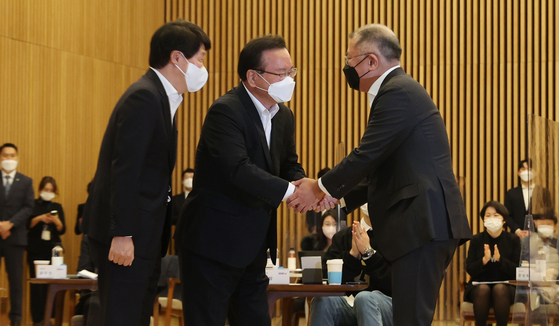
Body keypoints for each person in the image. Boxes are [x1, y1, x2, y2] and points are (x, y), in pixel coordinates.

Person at [287, 24, 472, 325]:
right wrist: (335, 196)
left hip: (422, 222)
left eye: (349, 61)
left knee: (409, 319)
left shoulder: (396, 91)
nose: (345, 68)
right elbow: (379, 167)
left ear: (371, 61)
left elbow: (367, 154)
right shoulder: (397, 90)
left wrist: (320, 188)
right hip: (419, 224)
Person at [81, 20, 211, 326]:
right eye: (201, 59)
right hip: (127, 236)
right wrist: (122, 233)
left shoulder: (164, 98)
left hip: (145, 235)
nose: (204, 68)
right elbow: (125, 170)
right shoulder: (145, 97)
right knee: (120, 316)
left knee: (137, 316)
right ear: (177, 58)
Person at [175, 35, 306, 326]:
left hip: (254, 244)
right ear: (253, 76)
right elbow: (238, 169)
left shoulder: (283, 115)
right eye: (281, 73)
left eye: (291, 72)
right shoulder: (226, 111)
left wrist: (308, 187)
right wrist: (290, 192)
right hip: (212, 244)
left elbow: (287, 165)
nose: (289, 79)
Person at [310, 208, 393, 326]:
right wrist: (352, 256)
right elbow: (326, 276)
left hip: (387, 305)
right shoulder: (342, 237)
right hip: (349, 304)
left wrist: (369, 254)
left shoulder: (396, 236)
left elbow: (398, 282)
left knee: (364, 299)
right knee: (322, 300)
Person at [465, 201, 520, 326]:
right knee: (483, 289)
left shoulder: (513, 240)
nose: (491, 219)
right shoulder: (476, 240)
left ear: (504, 219)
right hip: (479, 286)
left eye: (496, 215)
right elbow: (470, 269)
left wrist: (501, 260)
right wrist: (484, 261)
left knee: (499, 289)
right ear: (483, 219)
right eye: (488, 215)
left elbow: (517, 270)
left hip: (506, 288)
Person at [0, 143, 34, 326]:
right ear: (0, 158)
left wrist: (10, 224)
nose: (8, 159)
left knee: (16, 284)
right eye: (5, 156)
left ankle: (16, 321)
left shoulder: (26, 181)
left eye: (12, 156)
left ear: (17, 158)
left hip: (16, 239)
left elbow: (29, 207)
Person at [26, 176, 66, 326]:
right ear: (40, 189)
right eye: (45, 189)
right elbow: (27, 224)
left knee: (52, 285)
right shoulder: (33, 204)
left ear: (55, 192)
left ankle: (50, 318)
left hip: (53, 251)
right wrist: (40, 218)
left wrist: (56, 221)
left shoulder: (58, 207)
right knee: (36, 286)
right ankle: (37, 320)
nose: (48, 192)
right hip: (36, 250)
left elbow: (62, 230)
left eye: (51, 190)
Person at [505, 159, 552, 238]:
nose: (526, 171)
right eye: (523, 169)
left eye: (529, 169)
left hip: (539, 235)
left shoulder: (543, 192)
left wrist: (536, 228)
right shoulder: (511, 193)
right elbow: (507, 215)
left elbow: (548, 213)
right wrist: (517, 230)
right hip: (516, 236)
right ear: (518, 173)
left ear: (535, 173)